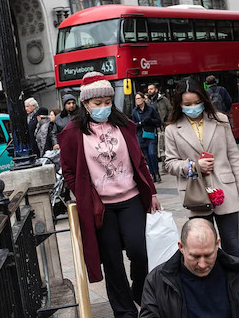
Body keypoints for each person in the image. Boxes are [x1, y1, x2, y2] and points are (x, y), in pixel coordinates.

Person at [58, 71, 161, 317]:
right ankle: (124, 311)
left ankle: (140, 292)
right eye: (98, 103)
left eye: (107, 102)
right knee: (112, 261)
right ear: (85, 104)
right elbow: (69, 171)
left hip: (131, 199)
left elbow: (140, 161)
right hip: (100, 207)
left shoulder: (123, 124)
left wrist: (153, 192)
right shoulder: (73, 133)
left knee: (140, 250)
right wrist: (84, 194)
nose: (104, 107)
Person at [164, 78, 239, 257]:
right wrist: (193, 166)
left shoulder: (220, 120)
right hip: (195, 194)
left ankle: (235, 283)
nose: (193, 107)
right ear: (179, 104)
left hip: (225, 189)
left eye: (197, 102)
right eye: (187, 104)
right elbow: (170, 163)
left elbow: (234, 157)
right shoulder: (172, 129)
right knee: (204, 247)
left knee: (232, 246)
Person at [140, 218, 239, 318]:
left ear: (217, 244)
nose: (202, 264)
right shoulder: (158, 280)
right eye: (195, 256)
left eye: (208, 255)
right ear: (181, 247)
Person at [132, 92, 162, 183]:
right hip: (141, 136)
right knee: (147, 156)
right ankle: (152, 174)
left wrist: (150, 120)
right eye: (136, 99)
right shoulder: (135, 111)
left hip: (151, 134)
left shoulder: (151, 109)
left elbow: (158, 121)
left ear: (143, 99)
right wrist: (140, 123)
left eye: (139, 98)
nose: (138, 101)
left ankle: (157, 172)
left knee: (152, 153)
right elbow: (133, 125)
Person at [146, 83, 173, 172]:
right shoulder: (147, 102)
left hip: (163, 125)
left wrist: (167, 121)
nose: (149, 90)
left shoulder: (163, 99)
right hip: (153, 127)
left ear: (156, 90)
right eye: (148, 89)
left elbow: (170, 110)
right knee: (157, 148)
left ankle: (165, 165)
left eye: (151, 89)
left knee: (164, 146)